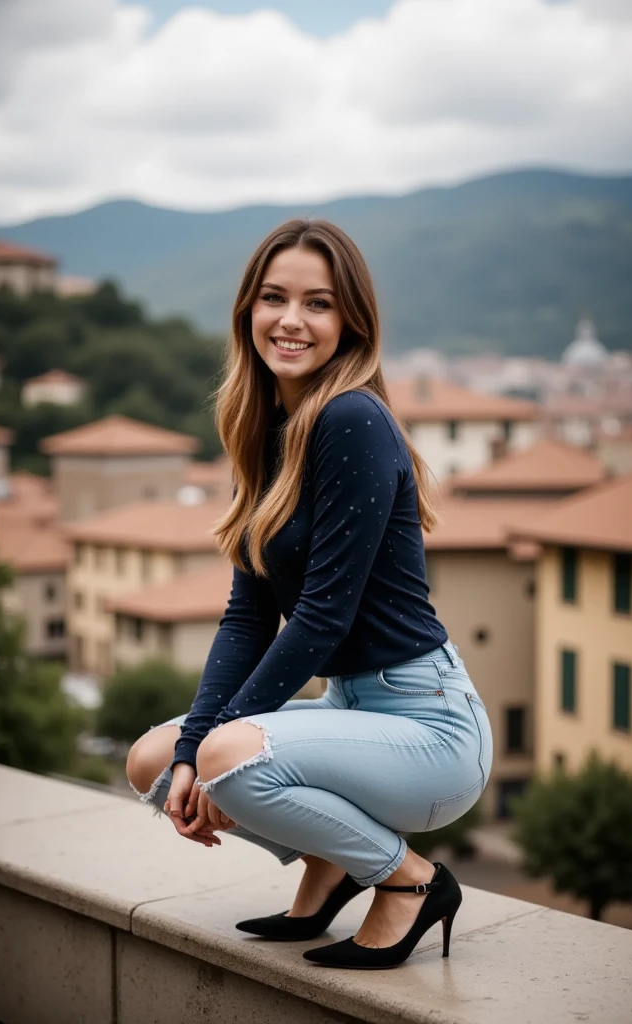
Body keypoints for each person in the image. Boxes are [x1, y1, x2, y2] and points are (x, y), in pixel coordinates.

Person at [126, 218, 493, 970]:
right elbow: (249, 614)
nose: (291, 320)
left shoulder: (351, 418)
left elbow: (323, 615)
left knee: (222, 753)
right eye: (274, 297)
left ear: (350, 322)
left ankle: (408, 880)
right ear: (247, 312)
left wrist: (212, 750)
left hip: (430, 728)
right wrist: (192, 748)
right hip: (349, 713)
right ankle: (326, 862)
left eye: (318, 304)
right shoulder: (264, 433)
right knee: (151, 759)